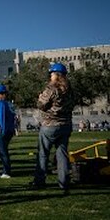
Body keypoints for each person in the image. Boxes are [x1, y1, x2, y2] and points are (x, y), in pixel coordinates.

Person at [30, 63, 75, 193]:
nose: (50, 76)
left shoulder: (52, 88)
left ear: (56, 75)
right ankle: (64, 182)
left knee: (43, 154)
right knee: (62, 154)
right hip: (65, 125)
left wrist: (40, 98)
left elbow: (41, 105)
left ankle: (40, 180)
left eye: (52, 74)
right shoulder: (70, 90)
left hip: (50, 125)